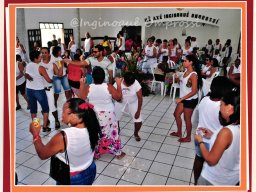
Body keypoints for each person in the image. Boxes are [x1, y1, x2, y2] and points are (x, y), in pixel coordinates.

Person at [30, 98, 101, 185]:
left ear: (74, 116)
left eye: (64, 111)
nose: (62, 114)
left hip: (72, 178)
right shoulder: (93, 126)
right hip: (90, 169)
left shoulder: (64, 136)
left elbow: (43, 154)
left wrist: (35, 135)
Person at [193, 76, 234, 185]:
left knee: (198, 159)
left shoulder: (204, 100)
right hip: (215, 142)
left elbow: (196, 118)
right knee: (215, 167)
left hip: (200, 137)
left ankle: (196, 183)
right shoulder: (224, 106)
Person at [79, 66, 126, 160]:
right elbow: (119, 97)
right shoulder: (108, 86)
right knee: (112, 133)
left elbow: (80, 100)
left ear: (92, 77)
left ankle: (96, 153)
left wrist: (81, 85)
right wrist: (119, 84)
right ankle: (117, 153)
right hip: (109, 114)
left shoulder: (88, 87)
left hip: (94, 114)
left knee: (95, 133)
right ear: (104, 77)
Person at [170, 55, 202, 142]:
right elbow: (185, 85)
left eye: (185, 61)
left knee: (187, 118)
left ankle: (188, 137)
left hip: (190, 100)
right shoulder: (185, 71)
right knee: (176, 114)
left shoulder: (193, 75)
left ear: (191, 62)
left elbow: (194, 91)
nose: (183, 62)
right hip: (184, 98)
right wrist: (178, 79)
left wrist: (181, 99)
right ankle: (179, 132)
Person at [25, 50, 52, 132]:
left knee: (33, 110)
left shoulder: (28, 65)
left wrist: (31, 78)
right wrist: (53, 79)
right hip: (39, 91)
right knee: (45, 109)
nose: (41, 57)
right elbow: (48, 80)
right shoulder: (40, 67)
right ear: (35, 58)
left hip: (29, 90)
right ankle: (44, 126)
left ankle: (36, 128)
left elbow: (26, 75)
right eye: (40, 56)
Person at [114, 72, 143, 141]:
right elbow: (114, 95)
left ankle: (136, 133)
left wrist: (138, 111)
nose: (130, 85)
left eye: (131, 84)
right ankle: (117, 131)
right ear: (124, 79)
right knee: (115, 119)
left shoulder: (136, 83)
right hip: (120, 103)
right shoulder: (118, 82)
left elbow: (140, 98)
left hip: (133, 103)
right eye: (128, 84)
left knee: (139, 120)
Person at [40, 47, 61, 129]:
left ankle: (56, 120)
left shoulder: (52, 64)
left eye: (45, 52)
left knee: (52, 106)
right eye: (42, 53)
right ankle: (47, 120)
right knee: (42, 107)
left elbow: (59, 74)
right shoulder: (38, 63)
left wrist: (61, 66)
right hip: (40, 90)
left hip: (49, 89)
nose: (43, 54)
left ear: (49, 54)